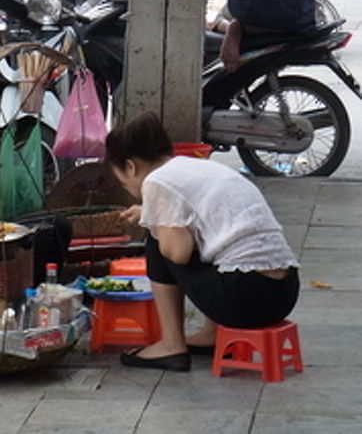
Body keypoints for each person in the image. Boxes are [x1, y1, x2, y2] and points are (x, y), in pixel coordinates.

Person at [105, 112, 300, 371]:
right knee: (211, 245)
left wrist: (152, 221)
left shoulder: (156, 181)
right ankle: (209, 335)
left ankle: (171, 344)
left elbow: (178, 253)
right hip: (284, 292)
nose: (128, 188)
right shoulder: (196, 167)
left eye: (123, 181)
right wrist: (152, 214)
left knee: (156, 242)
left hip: (245, 299)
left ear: (131, 166)